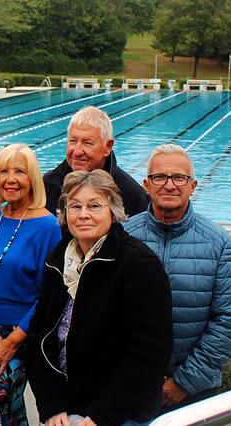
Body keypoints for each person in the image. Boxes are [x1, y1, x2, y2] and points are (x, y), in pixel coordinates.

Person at [24, 169, 172, 426]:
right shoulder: (59, 258)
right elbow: (39, 337)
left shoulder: (138, 265)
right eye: (75, 206)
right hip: (64, 410)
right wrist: (51, 406)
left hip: (118, 414)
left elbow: (148, 356)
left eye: (94, 206)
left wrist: (101, 417)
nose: (83, 215)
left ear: (113, 210)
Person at [124, 144, 231, 412]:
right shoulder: (122, 237)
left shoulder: (218, 242)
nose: (169, 185)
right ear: (146, 184)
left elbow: (229, 318)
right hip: (128, 387)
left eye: (179, 177)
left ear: (193, 185)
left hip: (195, 392)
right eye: (160, 177)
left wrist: (184, 382)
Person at [0, 144, 62, 425]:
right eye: (3, 172)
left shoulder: (47, 226)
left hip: (17, 333)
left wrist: (13, 341)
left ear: (32, 178)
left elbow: (49, 294)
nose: (10, 179)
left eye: (19, 172)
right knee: (4, 408)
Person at [43, 106, 148, 217]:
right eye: (73, 141)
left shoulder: (130, 193)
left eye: (87, 143)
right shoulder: (49, 185)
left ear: (108, 147)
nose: (77, 152)